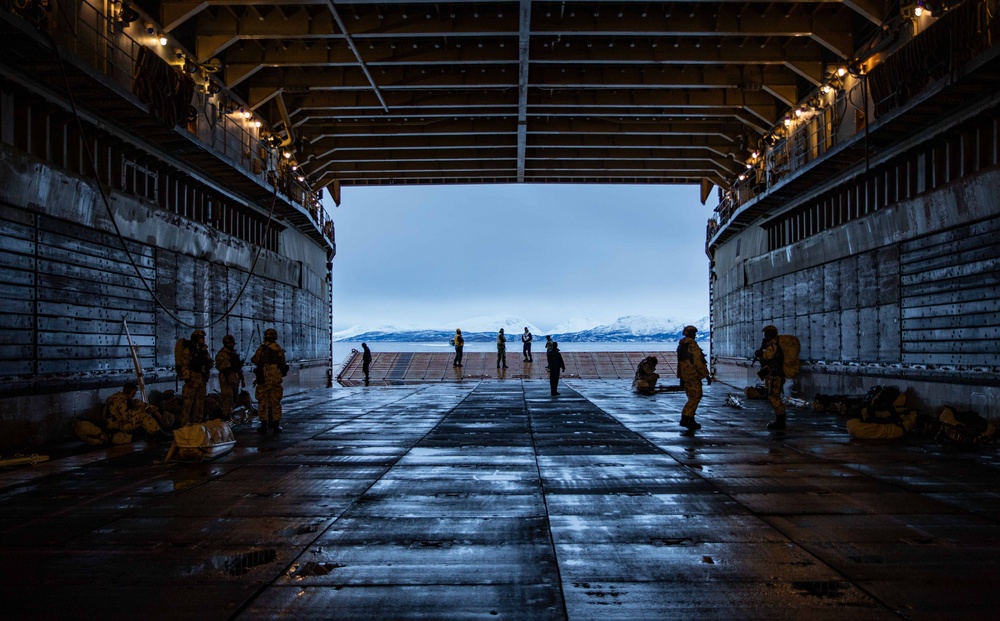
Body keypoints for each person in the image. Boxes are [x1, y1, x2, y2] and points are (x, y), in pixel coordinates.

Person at [105, 382, 170, 441]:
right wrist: (140, 410)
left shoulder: (122, 398)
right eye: (133, 393)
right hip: (117, 424)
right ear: (128, 391)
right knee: (142, 416)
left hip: (120, 422)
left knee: (140, 408)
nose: (134, 395)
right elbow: (125, 416)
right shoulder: (119, 400)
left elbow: (140, 404)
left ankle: (155, 432)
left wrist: (154, 410)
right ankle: (158, 434)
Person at [252, 328, 288, 434]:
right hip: (275, 380)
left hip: (263, 380)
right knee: (275, 402)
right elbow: (283, 364)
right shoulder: (279, 349)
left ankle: (264, 425)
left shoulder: (261, 349)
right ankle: (276, 425)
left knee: (262, 402)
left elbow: (254, 360)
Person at [677, 326, 710, 430]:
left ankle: (688, 418)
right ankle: (687, 417)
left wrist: (681, 378)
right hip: (693, 375)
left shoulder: (681, 346)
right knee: (696, 396)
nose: (694, 335)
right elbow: (698, 362)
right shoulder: (692, 345)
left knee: (692, 396)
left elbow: (680, 364)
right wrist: (706, 375)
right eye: (693, 333)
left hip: (685, 375)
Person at [179, 329, 213, 426]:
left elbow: (210, 362)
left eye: (203, 337)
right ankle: (184, 423)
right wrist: (187, 379)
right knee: (188, 402)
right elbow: (184, 365)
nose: (203, 339)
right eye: (201, 337)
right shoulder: (189, 350)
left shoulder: (204, 350)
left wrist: (207, 365)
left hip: (201, 379)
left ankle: (197, 423)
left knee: (200, 403)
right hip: (192, 378)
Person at [756, 324, 787, 430]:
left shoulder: (773, 346)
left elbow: (767, 356)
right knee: (773, 396)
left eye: (767, 334)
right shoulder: (771, 345)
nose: (765, 336)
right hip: (773, 375)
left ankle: (780, 421)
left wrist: (760, 353)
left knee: (774, 397)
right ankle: (779, 420)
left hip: (775, 375)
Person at [215, 334, 245, 417]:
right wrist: (231, 363)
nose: (231, 345)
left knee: (234, 398)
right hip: (226, 379)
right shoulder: (222, 354)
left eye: (232, 343)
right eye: (229, 343)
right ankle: (226, 416)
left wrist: (242, 379)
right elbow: (219, 366)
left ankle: (229, 414)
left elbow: (238, 369)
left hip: (235, 379)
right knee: (228, 398)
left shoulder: (234, 353)